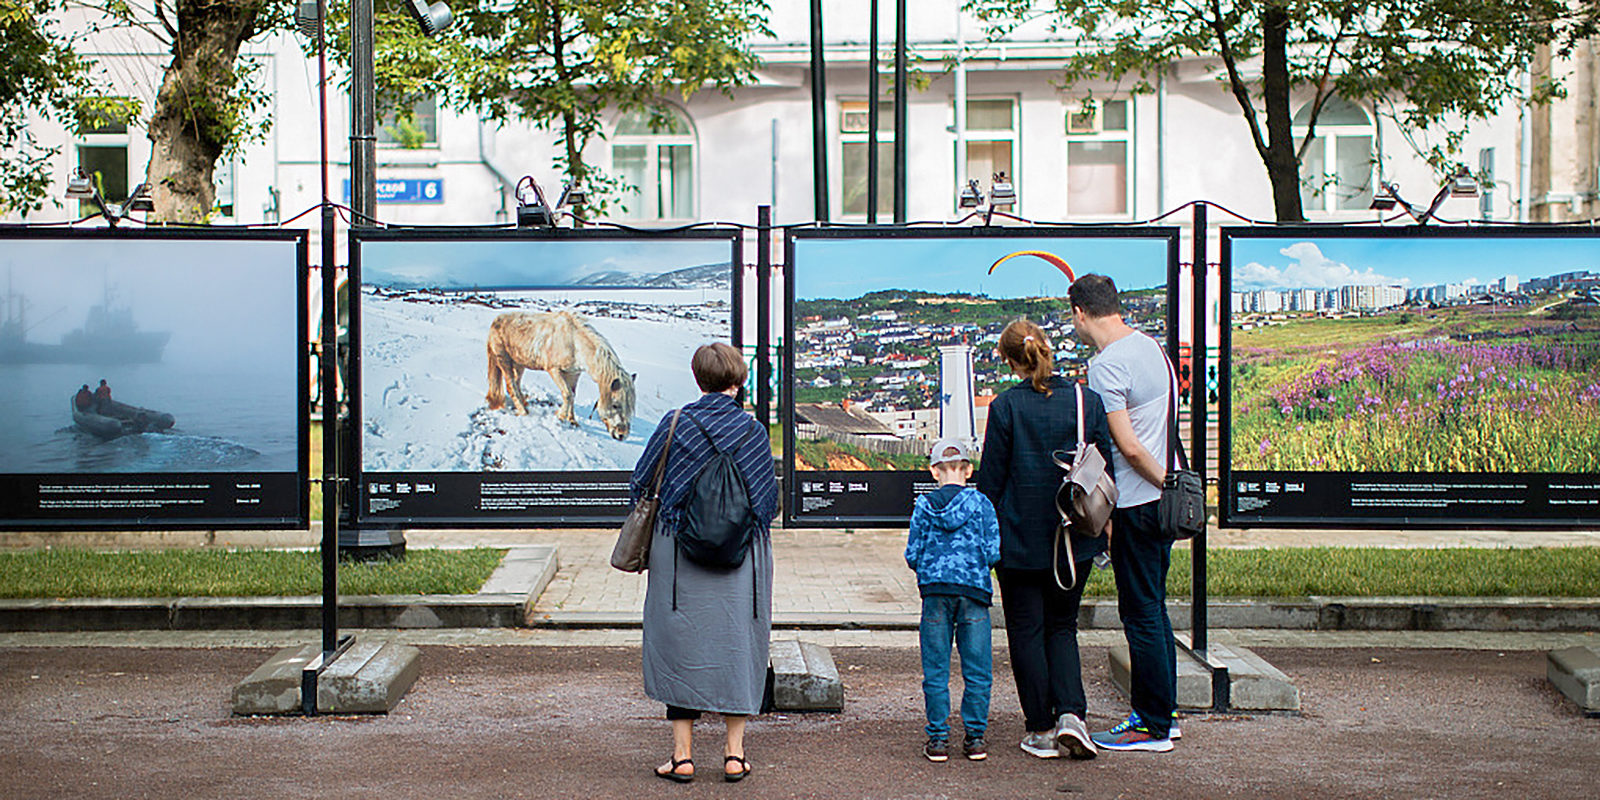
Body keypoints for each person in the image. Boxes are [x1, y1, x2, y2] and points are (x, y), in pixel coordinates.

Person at [630, 342, 778, 784]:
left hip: (678, 554)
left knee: (680, 646)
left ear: (698, 377)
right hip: (741, 557)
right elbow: (766, 503)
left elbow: (641, 482)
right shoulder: (752, 432)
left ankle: (683, 758)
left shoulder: (675, 423)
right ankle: (734, 756)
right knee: (737, 644)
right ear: (738, 379)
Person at [976, 318, 1113, 761]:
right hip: (1074, 537)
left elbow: (992, 482)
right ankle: (1072, 714)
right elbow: (1103, 465)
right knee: (1062, 626)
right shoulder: (1085, 400)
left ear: (1010, 360)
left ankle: (1040, 728)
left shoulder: (1006, 407)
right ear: (1048, 349)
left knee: (1026, 630)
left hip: (1018, 541)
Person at [1069, 274, 1179, 753]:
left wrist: (1164, 483)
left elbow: (1128, 447)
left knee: (1141, 615)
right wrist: (1174, 486)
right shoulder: (1150, 347)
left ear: (1079, 313)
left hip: (1138, 503)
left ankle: (1150, 725)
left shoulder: (1107, 366)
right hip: (1161, 506)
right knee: (1154, 608)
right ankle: (1164, 715)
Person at [905, 437, 1000, 763]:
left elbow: (912, 554)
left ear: (934, 471)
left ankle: (938, 740)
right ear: (968, 470)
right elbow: (993, 552)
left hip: (934, 594)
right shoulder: (983, 504)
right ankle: (974, 739)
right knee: (977, 670)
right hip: (973, 593)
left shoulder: (923, 506)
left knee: (935, 669)